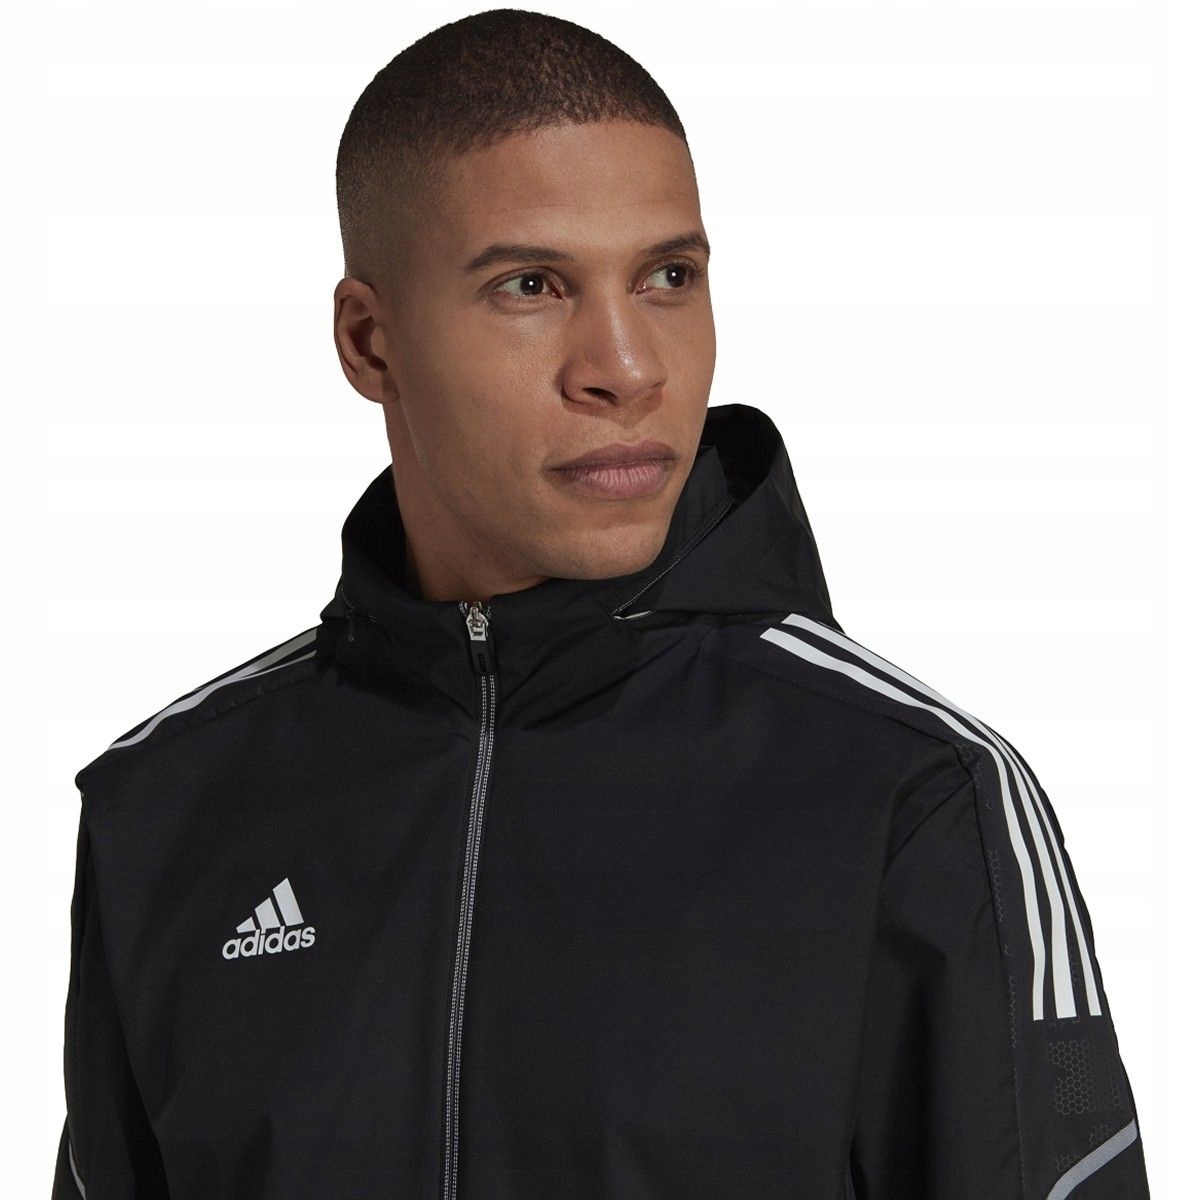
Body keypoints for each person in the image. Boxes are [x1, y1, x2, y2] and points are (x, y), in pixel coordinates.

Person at [52, 8, 1151, 1199]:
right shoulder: (168, 808)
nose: (627, 368)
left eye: (668, 277)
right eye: (531, 286)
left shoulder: (915, 793)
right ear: (370, 343)